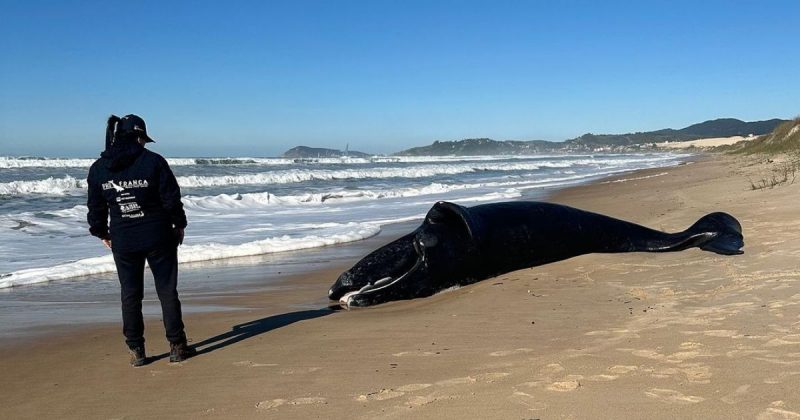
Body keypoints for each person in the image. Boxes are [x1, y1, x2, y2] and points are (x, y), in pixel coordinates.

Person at [86, 114, 196, 366]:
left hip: (123, 239)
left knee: (130, 294)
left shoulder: (99, 168)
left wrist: (102, 232)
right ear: (138, 137)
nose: (145, 143)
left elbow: (95, 207)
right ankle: (177, 346)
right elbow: (171, 198)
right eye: (144, 139)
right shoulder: (154, 162)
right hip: (158, 235)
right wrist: (179, 224)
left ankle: (136, 350)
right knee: (166, 291)